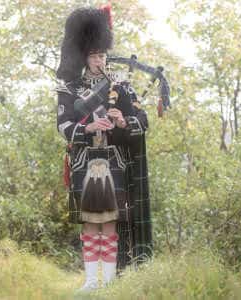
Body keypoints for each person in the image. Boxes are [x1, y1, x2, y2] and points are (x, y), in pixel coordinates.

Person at [55, 5, 149, 292]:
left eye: (102, 54)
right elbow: (62, 126)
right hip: (84, 160)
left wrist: (123, 121)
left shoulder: (121, 86)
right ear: (84, 57)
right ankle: (89, 281)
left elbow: (142, 121)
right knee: (88, 224)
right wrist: (87, 128)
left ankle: (107, 281)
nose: (99, 59)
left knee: (109, 223)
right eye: (94, 55)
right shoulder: (69, 88)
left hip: (114, 162)